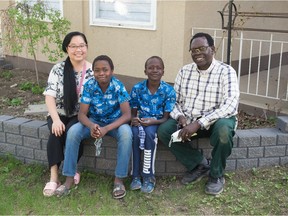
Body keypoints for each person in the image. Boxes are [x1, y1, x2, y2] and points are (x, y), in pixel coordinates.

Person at [158, 32, 240, 196]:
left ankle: (216, 175)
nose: (197, 53)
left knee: (224, 132)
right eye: (193, 50)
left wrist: (199, 123)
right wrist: (181, 117)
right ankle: (198, 165)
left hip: (216, 122)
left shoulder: (226, 71)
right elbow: (174, 101)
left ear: (212, 49)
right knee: (165, 131)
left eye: (202, 48)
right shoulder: (185, 71)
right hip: (189, 123)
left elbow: (230, 105)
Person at [56, 55, 132, 199]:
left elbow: (127, 115)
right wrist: (91, 125)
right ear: (93, 72)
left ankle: (119, 179)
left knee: (126, 133)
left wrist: (107, 129)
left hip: (114, 124)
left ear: (112, 71)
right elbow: (82, 115)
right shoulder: (90, 85)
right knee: (73, 131)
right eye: (97, 70)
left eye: (105, 70)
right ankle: (69, 179)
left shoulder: (118, 86)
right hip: (94, 121)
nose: (101, 73)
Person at [42, 31, 93, 197]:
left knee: (73, 132)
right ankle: (54, 177)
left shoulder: (92, 70)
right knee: (56, 133)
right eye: (73, 46)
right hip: (59, 112)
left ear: (86, 47)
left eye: (82, 45)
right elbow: (49, 96)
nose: (78, 49)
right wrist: (56, 120)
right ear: (66, 48)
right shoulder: (58, 69)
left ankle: (71, 170)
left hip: (81, 115)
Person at [129, 56, 176, 193]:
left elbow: (165, 118)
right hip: (140, 122)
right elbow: (133, 112)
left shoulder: (168, 91)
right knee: (135, 135)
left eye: (158, 68)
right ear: (145, 71)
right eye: (151, 67)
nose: (154, 70)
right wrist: (134, 119)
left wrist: (153, 121)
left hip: (157, 122)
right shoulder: (138, 88)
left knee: (150, 135)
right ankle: (136, 175)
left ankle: (148, 176)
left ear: (163, 71)